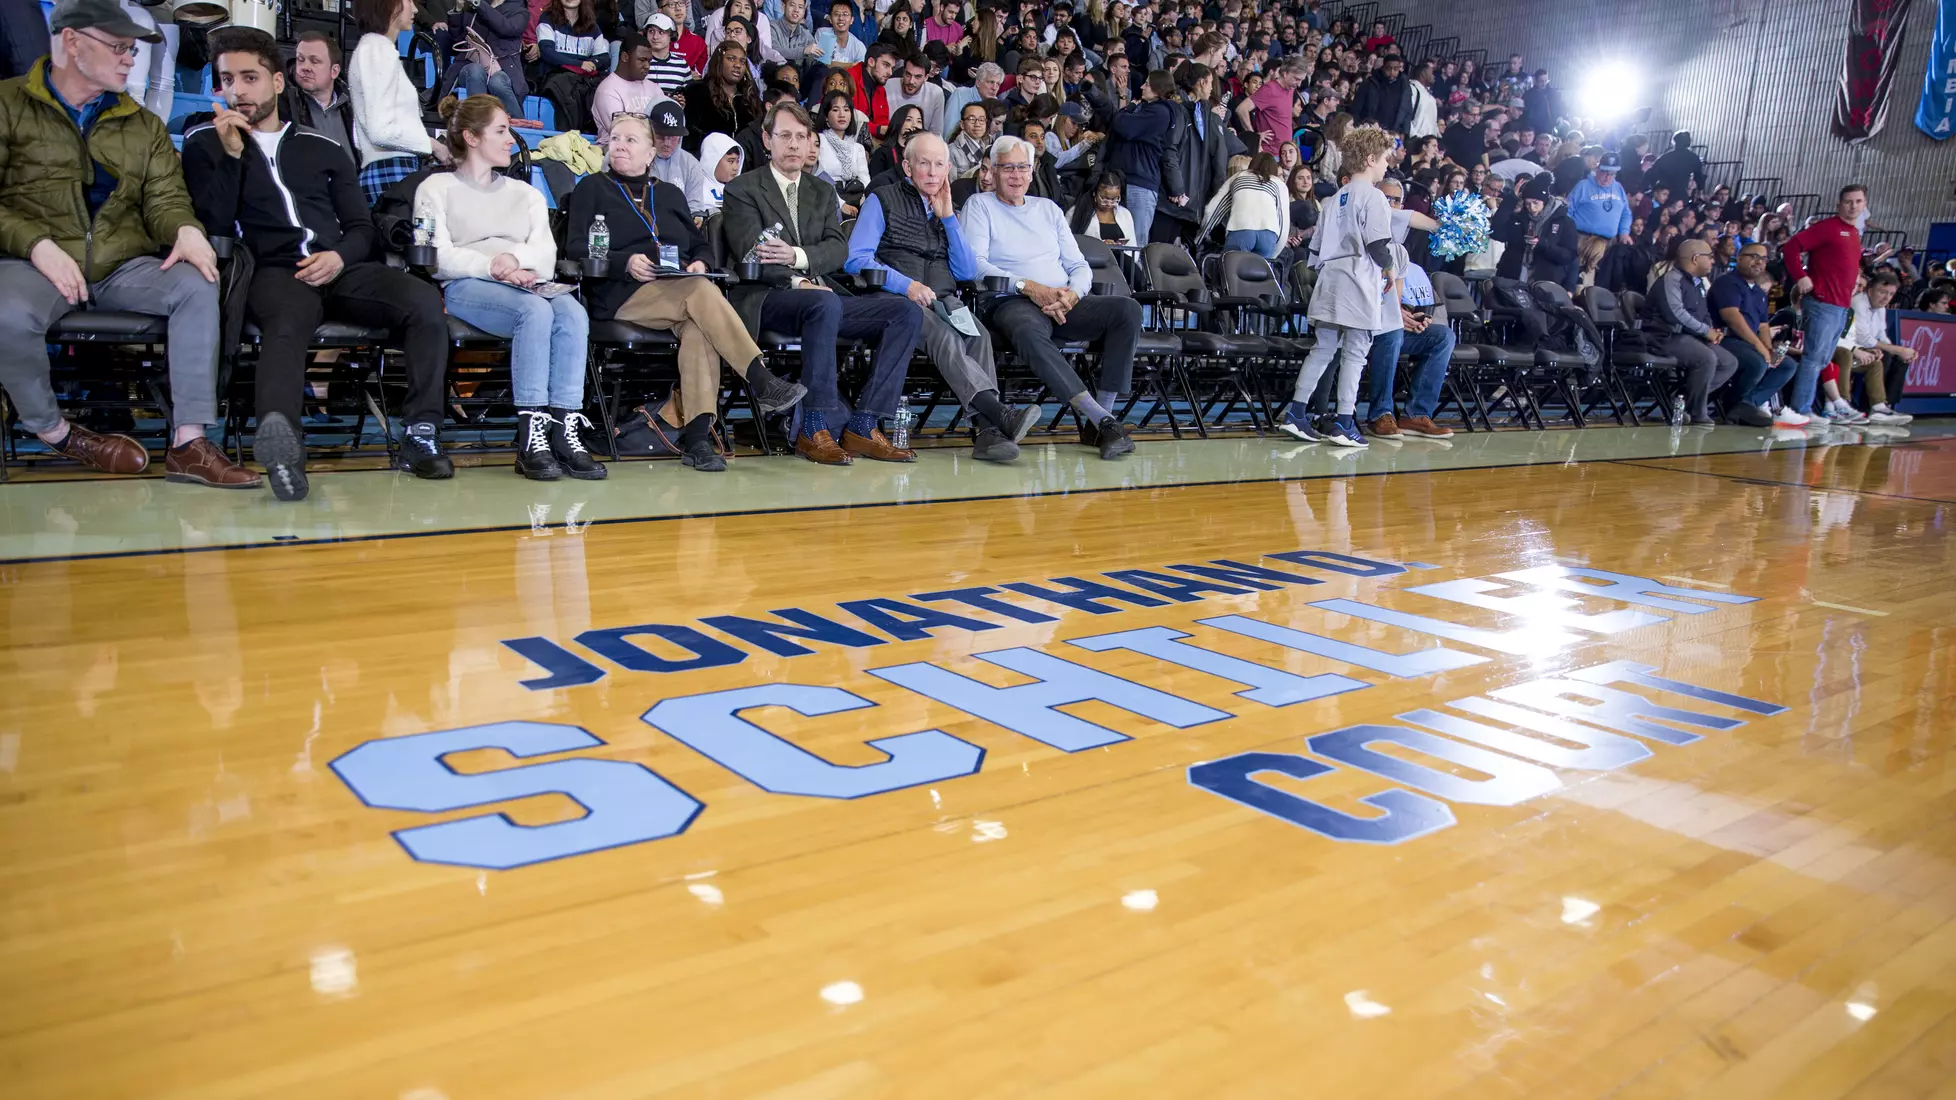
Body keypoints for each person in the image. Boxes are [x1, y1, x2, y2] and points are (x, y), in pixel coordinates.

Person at [182, 27, 453, 501]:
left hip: (339, 265)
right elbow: (214, 223)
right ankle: (284, 448)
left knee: (423, 300)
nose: (238, 90)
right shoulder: (204, 141)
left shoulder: (323, 147)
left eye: (250, 77)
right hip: (272, 270)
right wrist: (229, 157)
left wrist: (338, 256)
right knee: (287, 323)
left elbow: (362, 227)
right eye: (227, 80)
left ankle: (421, 433)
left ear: (278, 82)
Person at [0, 0, 257, 488]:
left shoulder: (142, 124)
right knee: (6, 312)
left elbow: (165, 199)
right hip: (34, 262)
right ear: (72, 42)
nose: (129, 60)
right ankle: (56, 431)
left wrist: (184, 229)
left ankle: (189, 442)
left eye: (132, 49)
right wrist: (36, 244)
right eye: (119, 47)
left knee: (196, 282)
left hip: (119, 263)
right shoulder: (7, 104)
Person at [566, 113, 805, 471]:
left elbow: (699, 246)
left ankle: (696, 440)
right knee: (699, 293)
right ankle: (759, 378)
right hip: (622, 293)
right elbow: (574, 249)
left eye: (631, 140)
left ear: (650, 153)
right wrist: (624, 262)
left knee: (699, 328)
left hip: (679, 289)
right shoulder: (592, 188)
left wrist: (700, 263)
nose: (619, 145)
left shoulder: (669, 194)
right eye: (615, 139)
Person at [722, 101, 927, 464]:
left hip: (823, 297)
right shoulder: (743, 189)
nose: (795, 145)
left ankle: (863, 425)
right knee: (824, 302)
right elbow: (752, 252)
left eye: (802, 137)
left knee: (904, 312)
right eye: (785, 136)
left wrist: (799, 258)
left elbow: (838, 249)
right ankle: (813, 427)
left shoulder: (819, 190)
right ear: (767, 140)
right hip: (768, 297)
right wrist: (798, 281)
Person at [415, 96, 599, 481]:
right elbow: (435, 255)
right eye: (501, 131)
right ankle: (530, 432)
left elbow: (546, 253)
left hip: (527, 280)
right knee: (533, 312)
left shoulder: (526, 194)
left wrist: (515, 260)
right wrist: (492, 267)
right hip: (467, 285)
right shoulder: (436, 188)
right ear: (472, 136)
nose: (511, 141)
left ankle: (564, 425)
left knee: (573, 313)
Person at [845, 131, 1042, 462]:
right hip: (896, 303)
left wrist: (949, 218)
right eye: (925, 164)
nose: (934, 173)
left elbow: (965, 271)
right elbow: (857, 258)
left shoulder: (947, 209)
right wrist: (905, 285)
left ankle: (987, 435)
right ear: (908, 167)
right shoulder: (882, 199)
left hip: (945, 301)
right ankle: (999, 414)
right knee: (944, 338)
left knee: (976, 335)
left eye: (940, 165)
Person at [964, 135, 1141, 459]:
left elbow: (1079, 266)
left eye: (1022, 167)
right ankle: (1103, 421)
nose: (1016, 175)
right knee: (1027, 329)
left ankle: (1098, 421)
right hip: (1010, 299)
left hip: (1061, 300)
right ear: (993, 170)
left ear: (1032, 171)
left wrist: (1072, 295)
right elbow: (976, 266)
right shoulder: (980, 205)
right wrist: (1030, 287)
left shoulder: (1048, 209)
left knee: (1126, 310)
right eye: (1007, 168)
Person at [1283, 126, 1395, 449]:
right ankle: (1344, 421)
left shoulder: (1332, 200)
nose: (1387, 165)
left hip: (1329, 279)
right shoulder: (1374, 197)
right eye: (1385, 158)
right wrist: (1388, 268)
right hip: (1358, 278)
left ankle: (1296, 413)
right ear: (1371, 159)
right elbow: (1377, 245)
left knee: (1322, 349)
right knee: (1356, 353)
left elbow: (1314, 251)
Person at [1780, 184, 1867, 423]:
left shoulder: (1854, 233)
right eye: (1848, 201)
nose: (1853, 206)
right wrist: (1802, 276)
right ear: (1839, 204)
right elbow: (1790, 248)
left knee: (1822, 359)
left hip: (1840, 305)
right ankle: (1801, 410)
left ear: (1864, 205)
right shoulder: (1827, 228)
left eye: (1858, 201)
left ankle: (1825, 407)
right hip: (1822, 302)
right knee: (1813, 358)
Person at [1362, 222, 1456, 440]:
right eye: (1386, 199)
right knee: (1392, 332)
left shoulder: (1399, 252)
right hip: (1361, 328)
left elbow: (1395, 301)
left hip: (1388, 327)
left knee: (1442, 336)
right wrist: (1394, 318)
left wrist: (1411, 319)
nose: (1390, 205)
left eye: (1396, 200)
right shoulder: (1358, 248)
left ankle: (1417, 414)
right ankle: (1381, 414)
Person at [350, 0, 444, 204]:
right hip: (390, 172)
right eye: (409, 1)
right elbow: (380, 131)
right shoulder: (376, 50)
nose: (416, 9)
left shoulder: (374, 49)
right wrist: (433, 146)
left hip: (391, 169)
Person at [1641, 238, 1737, 425]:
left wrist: (1711, 331)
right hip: (1663, 337)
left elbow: (1703, 312)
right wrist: (1704, 331)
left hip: (1690, 337)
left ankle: (1680, 400)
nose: (1713, 261)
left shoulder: (1697, 283)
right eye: (1709, 256)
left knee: (1728, 362)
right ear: (1695, 258)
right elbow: (1675, 314)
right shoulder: (1671, 279)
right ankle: (1697, 412)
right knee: (1706, 358)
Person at [1707, 242, 1796, 427]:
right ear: (1740, 258)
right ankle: (1728, 403)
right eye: (1754, 256)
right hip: (1723, 339)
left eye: (1763, 258)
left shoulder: (1758, 292)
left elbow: (1763, 326)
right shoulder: (1727, 282)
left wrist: (1770, 350)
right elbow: (1733, 319)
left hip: (1747, 342)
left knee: (1786, 365)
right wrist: (1760, 348)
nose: (1759, 262)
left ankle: (1746, 404)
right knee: (1757, 362)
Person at [1107, 69, 1179, 245]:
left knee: (1135, 244)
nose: (1142, 87)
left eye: (1147, 84)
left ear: (1158, 88)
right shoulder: (1148, 109)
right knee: (1119, 240)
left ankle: (1135, 273)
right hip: (1128, 180)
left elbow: (1122, 125)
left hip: (1141, 184)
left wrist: (1129, 106)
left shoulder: (1160, 112)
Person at [1841, 270, 1915, 425]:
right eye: (1882, 292)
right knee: (1885, 356)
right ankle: (1870, 406)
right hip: (1851, 350)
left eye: (1890, 294)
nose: (1886, 298)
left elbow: (1882, 335)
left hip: (1866, 348)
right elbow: (1863, 338)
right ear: (1870, 290)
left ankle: (1886, 405)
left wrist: (1897, 351)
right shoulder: (1858, 303)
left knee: (1901, 360)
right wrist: (1895, 349)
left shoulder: (1881, 308)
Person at [444, 0, 529, 120]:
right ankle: (478, 121)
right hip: (469, 64)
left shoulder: (520, 11)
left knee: (498, 80)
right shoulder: (473, 7)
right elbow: (458, 38)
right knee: (475, 70)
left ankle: (519, 123)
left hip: (502, 68)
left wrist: (480, 5)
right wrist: (458, 10)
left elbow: (506, 28)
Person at [1198, 151, 1289, 260]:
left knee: (1232, 273)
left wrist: (1200, 237)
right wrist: (1274, 254)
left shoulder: (1238, 177)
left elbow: (1212, 210)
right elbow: (1284, 223)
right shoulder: (1279, 184)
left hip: (1240, 230)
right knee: (1259, 275)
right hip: (1268, 236)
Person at [1495, 173, 1578, 291]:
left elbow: (1570, 256)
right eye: (1528, 203)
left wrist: (1544, 245)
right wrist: (1511, 199)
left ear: (1545, 201)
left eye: (1536, 203)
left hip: (1546, 286)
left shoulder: (1564, 222)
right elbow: (1496, 232)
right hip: (1513, 282)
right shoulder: (1519, 218)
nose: (1532, 208)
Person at [279, 31, 357, 153]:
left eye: (314, 61)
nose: (305, 67)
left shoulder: (352, 105)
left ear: (334, 71)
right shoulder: (284, 102)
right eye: (300, 59)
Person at [1565, 153, 1631, 284]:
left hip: (1608, 243)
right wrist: (1569, 234)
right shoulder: (1583, 186)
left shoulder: (1618, 188)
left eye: (1612, 174)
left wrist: (1624, 232)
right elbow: (1567, 211)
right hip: (1584, 240)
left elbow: (1625, 213)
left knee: (1601, 281)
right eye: (1604, 172)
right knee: (1578, 280)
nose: (1607, 177)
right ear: (1597, 169)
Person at [645, 100, 715, 218]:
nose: (667, 143)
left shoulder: (691, 164)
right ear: (648, 131)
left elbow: (694, 207)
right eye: (660, 136)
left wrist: (696, 217)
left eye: (673, 136)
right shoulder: (633, 160)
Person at [1244, 54, 1305, 155]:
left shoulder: (1290, 89)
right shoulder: (1269, 89)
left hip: (1283, 153)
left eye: (1301, 80)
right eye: (1297, 79)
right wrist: (1254, 137)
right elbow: (1242, 109)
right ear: (1285, 73)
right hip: (1268, 154)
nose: (1299, 84)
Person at [885, 50, 945, 136]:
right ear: (903, 72)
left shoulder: (936, 94)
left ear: (926, 77)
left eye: (918, 77)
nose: (911, 81)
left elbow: (936, 134)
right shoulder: (887, 86)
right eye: (908, 74)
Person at [1069, 170, 1138, 244]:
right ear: (1094, 193)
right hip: (1090, 255)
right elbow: (1068, 241)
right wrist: (1102, 246)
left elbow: (1132, 245)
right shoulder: (1077, 211)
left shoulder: (1125, 214)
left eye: (1114, 199)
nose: (1109, 203)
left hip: (1120, 255)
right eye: (1104, 198)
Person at [1351, 54, 1412, 134]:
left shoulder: (1404, 86)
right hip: (1369, 131)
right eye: (1388, 69)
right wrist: (1357, 127)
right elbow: (1356, 108)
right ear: (1383, 67)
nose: (1392, 72)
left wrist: (1404, 132)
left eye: (1396, 69)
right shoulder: (1370, 83)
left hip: (1393, 133)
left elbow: (1407, 111)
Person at [640, 13, 697, 92]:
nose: (655, 37)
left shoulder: (682, 64)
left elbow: (689, 96)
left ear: (672, 36)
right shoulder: (639, 62)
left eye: (661, 32)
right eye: (651, 31)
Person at [1648, 130, 1704, 200]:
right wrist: (1700, 191)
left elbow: (1650, 174)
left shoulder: (1665, 157)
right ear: (1688, 143)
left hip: (1664, 195)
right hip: (1681, 194)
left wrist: (1655, 188)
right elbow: (1699, 177)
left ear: (1674, 142)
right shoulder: (1694, 158)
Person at [948, 99, 992, 178]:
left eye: (982, 119)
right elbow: (952, 185)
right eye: (972, 119)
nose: (977, 124)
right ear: (962, 124)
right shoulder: (951, 150)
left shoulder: (987, 148)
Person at [815, 0, 867, 66]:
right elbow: (824, 65)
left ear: (851, 20)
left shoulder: (859, 46)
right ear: (830, 19)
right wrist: (852, 65)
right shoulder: (823, 33)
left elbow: (859, 70)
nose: (841, 18)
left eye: (845, 14)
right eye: (836, 14)